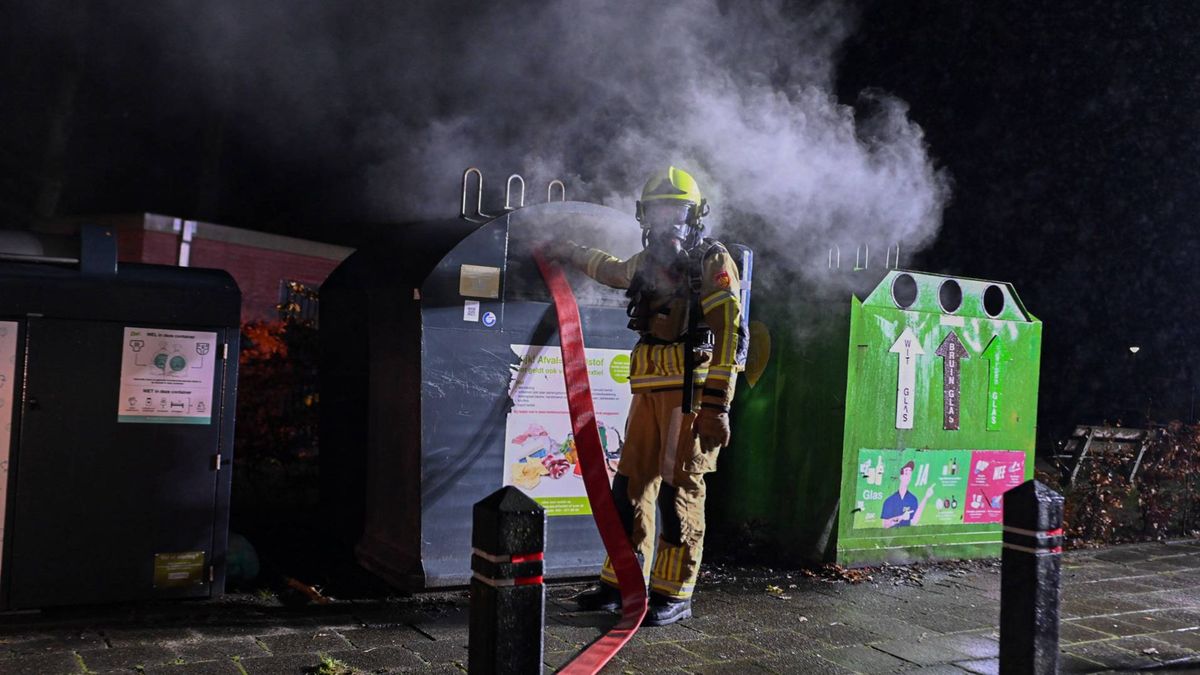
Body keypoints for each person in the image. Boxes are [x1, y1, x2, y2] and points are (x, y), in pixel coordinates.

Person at [545, 166, 743, 626]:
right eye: (658, 210)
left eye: (677, 209)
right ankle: (621, 583)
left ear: (694, 216)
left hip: (690, 398)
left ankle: (675, 593)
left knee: (679, 495)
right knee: (629, 488)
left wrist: (718, 405)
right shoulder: (646, 263)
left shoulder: (711, 262)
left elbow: (731, 333)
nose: (666, 220)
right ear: (643, 215)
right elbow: (612, 271)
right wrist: (567, 251)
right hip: (648, 390)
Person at [881, 461, 935, 528]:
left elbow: (914, 521)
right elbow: (885, 525)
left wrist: (926, 497)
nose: (908, 475)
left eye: (910, 472)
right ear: (901, 476)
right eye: (906, 472)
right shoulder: (889, 501)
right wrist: (901, 517)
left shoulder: (913, 499)